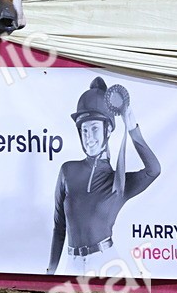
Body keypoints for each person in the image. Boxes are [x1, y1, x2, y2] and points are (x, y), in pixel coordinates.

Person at [46, 77, 161, 274]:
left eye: (94, 129)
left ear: (107, 130)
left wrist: (132, 129)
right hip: (72, 264)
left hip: (106, 263)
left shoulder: (119, 182)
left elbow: (154, 170)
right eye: (84, 130)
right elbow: (59, 228)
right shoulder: (67, 171)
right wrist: (50, 272)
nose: (89, 137)